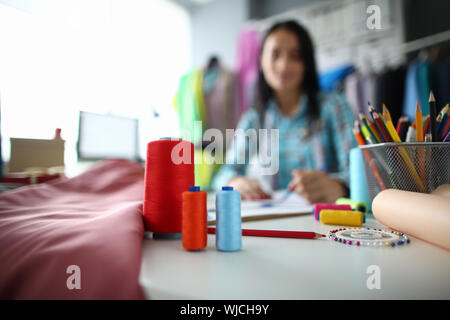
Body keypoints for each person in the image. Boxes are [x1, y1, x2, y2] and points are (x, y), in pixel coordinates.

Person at [212, 20, 356, 203]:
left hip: (328, 221)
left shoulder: (334, 106)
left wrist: (339, 187)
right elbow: (224, 174)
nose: (283, 65)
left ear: (307, 63)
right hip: (276, 223)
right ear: (261, 61)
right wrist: (234, 183)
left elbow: (359, 175)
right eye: (275, 55)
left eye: (295, 56)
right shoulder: (254, 118)